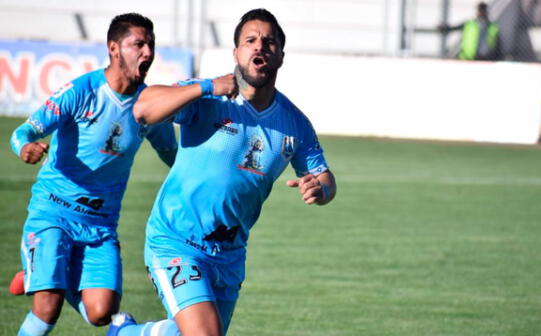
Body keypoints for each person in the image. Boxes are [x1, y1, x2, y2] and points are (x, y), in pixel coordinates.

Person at [107, 8, 337, 336]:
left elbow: (326, 178)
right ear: (236, 53)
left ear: (281, 56)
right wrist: (204, 87)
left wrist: (321, 188)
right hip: (176, 241)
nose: (260, 47)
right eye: (250, 40)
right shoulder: (209, 96)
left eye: (269, 42)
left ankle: (125, 333)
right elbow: (143, 108)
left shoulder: (295, 124)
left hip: (229, 255)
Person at [8, 12, 177, 336]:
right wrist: (26, 148)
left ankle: (45, 274)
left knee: (101, 314)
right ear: (113, 49)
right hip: (53, 213)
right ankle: (46, 276)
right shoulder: (80, 91)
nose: (148, 52)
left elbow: (173, 155)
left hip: (99, 224)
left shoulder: (149, 106)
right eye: (138, 44)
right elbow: (22, 133)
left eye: (151, 45)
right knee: (48, 308)